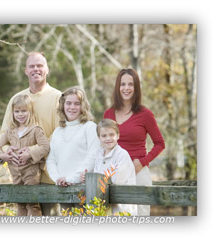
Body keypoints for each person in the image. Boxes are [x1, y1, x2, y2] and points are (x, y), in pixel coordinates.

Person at [0, 52, 62, 215]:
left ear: (47, 69)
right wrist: (8, 153)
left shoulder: (58, 98)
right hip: (22, 176)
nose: (36, 69)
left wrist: (32, 152)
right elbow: (4, 135)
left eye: (40, 65)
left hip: (50, 175)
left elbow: (60, 135)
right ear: (25, 70)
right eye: (32, 66)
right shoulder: (16, 99)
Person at [104, 68, 165, 216]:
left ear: (136, 87)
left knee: (141, 217)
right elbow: (103, 143)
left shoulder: (145, 114)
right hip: (114, 174)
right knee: (115, 218)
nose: (126, 88)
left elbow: (160, 143)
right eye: (123, 84)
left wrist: (142, 162)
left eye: (130, 84)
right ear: (118, 87)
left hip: (138, 173)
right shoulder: (109, 114)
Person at [0, 94, 50, 216]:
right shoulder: (10, 131)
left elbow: (45, 147)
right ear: (13, 113)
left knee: (32, 203)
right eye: (17, 111)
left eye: (24, 111)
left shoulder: (36, 130)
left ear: (30, 112)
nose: (20, 114)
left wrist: (29, 154)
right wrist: (3, 156)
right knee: (20, 203)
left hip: (31, 174)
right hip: (15, 174)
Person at [46, 87, 100, 211]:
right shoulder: (58, 131)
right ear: (63, 105)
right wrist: (57, 179)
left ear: (83, 106)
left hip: (85, 190)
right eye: (68, 103)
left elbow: (92, 157)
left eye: (77, 103)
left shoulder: (90, 127)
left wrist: (71, 179)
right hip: (63, 189)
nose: (72, 107)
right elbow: (51, 159)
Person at [93, 118, 137, 216]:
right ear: (99, 137)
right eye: (104, 136)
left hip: (122, 205)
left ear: (118, 135)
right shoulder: (99, 154)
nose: (108, 138)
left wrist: (99, 180)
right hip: (104, 204)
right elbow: (96, 177)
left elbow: (117, 180)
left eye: (111, 135)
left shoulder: (122, 155)